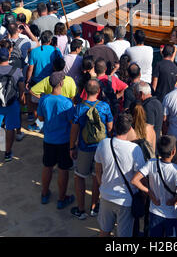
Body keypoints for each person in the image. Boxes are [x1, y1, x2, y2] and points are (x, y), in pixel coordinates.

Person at [94, 112, 146, 237]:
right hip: (125, 200)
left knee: (104, 231)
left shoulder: (104, 144)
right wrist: (143, 196)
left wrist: (103, 185)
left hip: (106, 195)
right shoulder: (135, 149)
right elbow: (141, 178)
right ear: (130, 129)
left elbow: (97, 170)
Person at [70, 79, 113, 219]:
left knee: (80, 177)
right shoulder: (105, 107)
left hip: (84, 147)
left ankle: (81, 209)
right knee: (97, 177)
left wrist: (72, 147)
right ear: (99, 91)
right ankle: (94, 207)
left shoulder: (79, 108)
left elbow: (74, 130)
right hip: (101, 148)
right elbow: (111, 128)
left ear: (85, 92)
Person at [131, 135, 177, 238]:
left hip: (154, 211)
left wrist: (149, 193)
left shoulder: (151, 163)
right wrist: (174, 201)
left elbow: (134, 180)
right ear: (173, 152)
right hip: (172, 215)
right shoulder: (176, 169)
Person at [37, 71, 75, 208]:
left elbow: (40, 118)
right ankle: (61, 198)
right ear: (61, 83)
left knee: (47, 166)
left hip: (48, 140)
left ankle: (45, 193)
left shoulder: (44, 99)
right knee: (63, 169)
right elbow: (72, 122)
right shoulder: (67, 102)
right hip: (64, 141)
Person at [26, 31, 63, 132]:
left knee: (36, 104)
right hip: (51, 82)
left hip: (36, 81)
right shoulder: (56, 51)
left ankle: (38, 122)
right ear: (50, 40)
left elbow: (30, 68)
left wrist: (28, 80)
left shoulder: (34, 52)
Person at [0, 46, 25, 162]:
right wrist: (21, 97)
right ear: (8, 56)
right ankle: (7, 153)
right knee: (10, 129)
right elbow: (21, 88)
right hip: (12, 103)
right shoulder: (16, 71)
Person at [136, 81, 163, 148]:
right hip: (156, 142)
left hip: (150, 146)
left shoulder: (148, 106)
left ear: (141, 94)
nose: (135, 98)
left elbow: (149, 128)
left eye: (135, 95)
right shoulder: (157, 102)